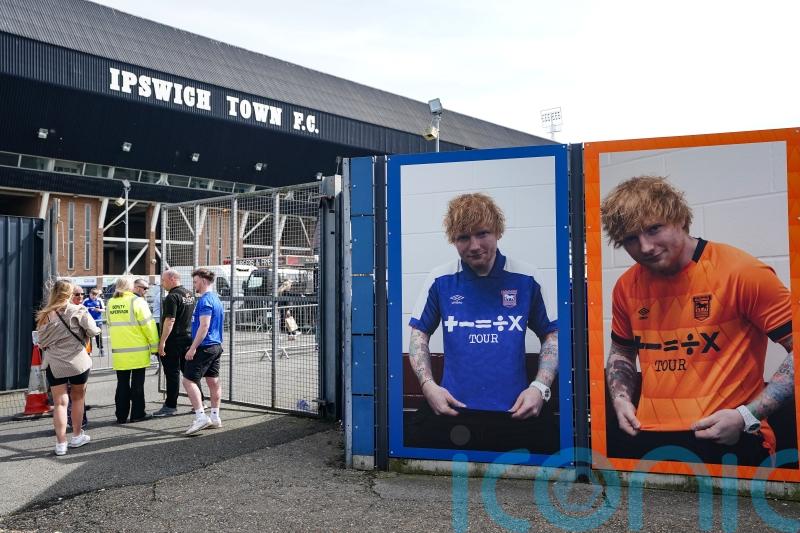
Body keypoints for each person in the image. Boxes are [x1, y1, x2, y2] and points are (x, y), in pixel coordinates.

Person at [601, 176, 794, 466]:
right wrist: (620, 398)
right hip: (649, 437)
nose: (646, 247)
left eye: (654, 229)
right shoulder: (626, 286)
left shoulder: (741, 272)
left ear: (679, 218)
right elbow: (622, 350)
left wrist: (747, 416)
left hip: (729, 438)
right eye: (631, 238)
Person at [407, 193, 559, 452]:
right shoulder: (440, 279)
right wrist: (428, 386)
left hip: (515, 412)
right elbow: (418, 334)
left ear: (498, 231)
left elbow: (552, 335)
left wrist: (540, 387)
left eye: (482, 233)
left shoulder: (527, 278)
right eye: (463, 237)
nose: (474, 245)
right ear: (453, 240)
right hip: (453, 411)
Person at [36, 279, 100, 456]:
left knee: (59, 403)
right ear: (70, 293)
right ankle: (77, 436)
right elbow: (94, 331)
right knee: (78, 398)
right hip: (78, 362)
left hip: (55, 363)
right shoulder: (78, 310)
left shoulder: (45, 315)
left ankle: (60, 443)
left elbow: (41, 342)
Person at [107, 277, 159, 423]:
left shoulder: (111, 303)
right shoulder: (137, 302)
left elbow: (110, 323)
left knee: (122, 384)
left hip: (120, 352)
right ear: (131, 287)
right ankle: (137, 414)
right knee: (137, 385)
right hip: (138, 351)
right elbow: (148, 326)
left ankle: (121, 416)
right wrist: (155, 346)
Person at [183, 268, 225, 435]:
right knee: (213, 381)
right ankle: (215, 416)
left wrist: (193, 348)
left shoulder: (205, 300)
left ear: (202, 280)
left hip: (205, 346)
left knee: (188, 381)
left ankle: (201, 416)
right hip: (215, 346)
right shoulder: (216, 299)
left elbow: (204, 325)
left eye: (195, 282)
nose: (194, 285)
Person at [154, 269, 196, 417]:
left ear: (172, 279)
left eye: (163, 280)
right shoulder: (189, 294)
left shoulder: (172, 297)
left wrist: (162, 342)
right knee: (188, 372)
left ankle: (170, 405)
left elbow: (170, 320)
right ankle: (199, 401)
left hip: (173, 340)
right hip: (187, 338)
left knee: (172, 373)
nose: (162, 284)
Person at [83, 288, 105, 355]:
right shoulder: (86, 301)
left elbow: (104, 310)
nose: (94, 296)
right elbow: (81, 309)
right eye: (92, 294)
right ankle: (89, 351)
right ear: (90, 294)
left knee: (99, 336)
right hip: (89, 322)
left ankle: (101, 349)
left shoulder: (99, 300)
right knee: (89, 336)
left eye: (95, 295)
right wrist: (86, 310)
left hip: (98, 321)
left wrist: (98, 310)